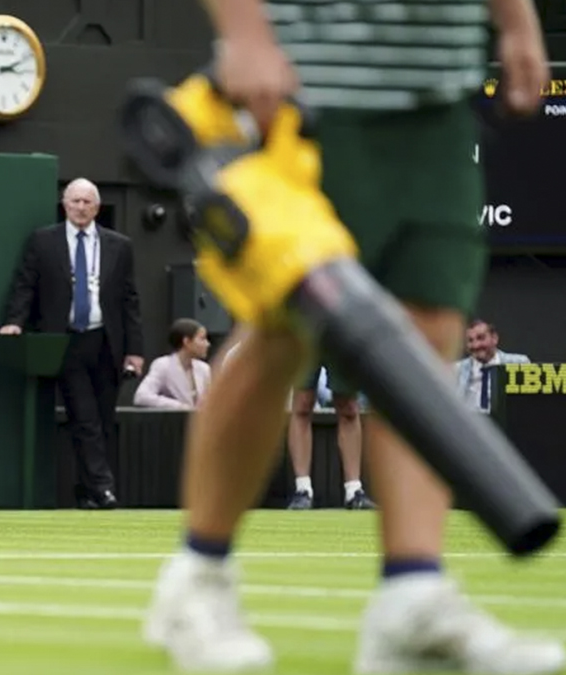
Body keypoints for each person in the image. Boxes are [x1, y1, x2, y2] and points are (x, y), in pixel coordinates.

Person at [142, 0, 564, 672]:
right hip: (309, 93)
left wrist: (516, 21)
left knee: (426, 340)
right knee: (280, 332)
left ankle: (412, 593)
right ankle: (197, 576)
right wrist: (246, 34)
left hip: (438, 101)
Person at [0, 178, 144, 509]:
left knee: (103, 421)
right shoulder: (43, 241)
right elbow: (26, 284)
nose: (81, 207)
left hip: (106, 340)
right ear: (64, 204)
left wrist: (135, 351)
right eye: (75, 201)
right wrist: (14, 322)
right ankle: (104, 489)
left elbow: (129, 300)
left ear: (96, 207)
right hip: (66, 340)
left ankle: (87, 492)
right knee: (84, 416)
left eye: (87, 202)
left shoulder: (118, 246)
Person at [286, 363, 373, 510]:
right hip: (310, 341)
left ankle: (354, 491)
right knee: (302, 404)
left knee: (349, 408)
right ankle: (302, 489)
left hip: (341, 342)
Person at [455, 318, 530, 413]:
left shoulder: (519, 364)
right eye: (470, 340)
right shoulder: (456, 370)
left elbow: (527, 406)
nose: (475, 345)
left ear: (494, 339)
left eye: (480, 338)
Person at [133, 318, 210, 410]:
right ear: (186, 341)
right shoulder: (163, 365)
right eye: (202, 339)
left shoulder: (204, 368)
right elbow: (142, 396)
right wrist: (179, 406)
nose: (207, 344)